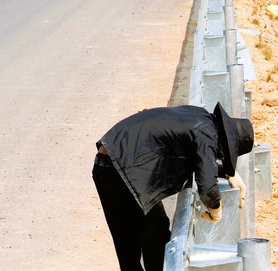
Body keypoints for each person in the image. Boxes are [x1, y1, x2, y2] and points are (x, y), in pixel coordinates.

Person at [92, 103, 254, 271]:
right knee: (156, 230)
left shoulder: (199, 117)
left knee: (127, 242)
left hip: (106, 163)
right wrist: (216, 209)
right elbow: (207, 187)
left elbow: (193, 158)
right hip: (122, 170)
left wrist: (227, 173)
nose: (219, 156)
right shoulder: (207, 134)